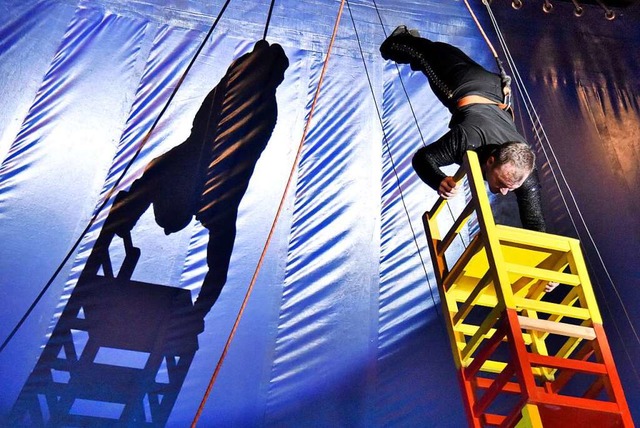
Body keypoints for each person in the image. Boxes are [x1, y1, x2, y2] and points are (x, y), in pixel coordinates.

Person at [380, 26, 546, 232]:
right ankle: (402, 40)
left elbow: (535, 223)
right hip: (460, 83)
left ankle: (418, 42)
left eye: (509, 188)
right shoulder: (466, 140)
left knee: (445, 52)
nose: (503, 192)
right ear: (491, 160)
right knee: (415, 52)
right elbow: (423, 158)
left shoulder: (524, 174)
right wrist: (438, 179)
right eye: (502, 183)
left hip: (493, 88)